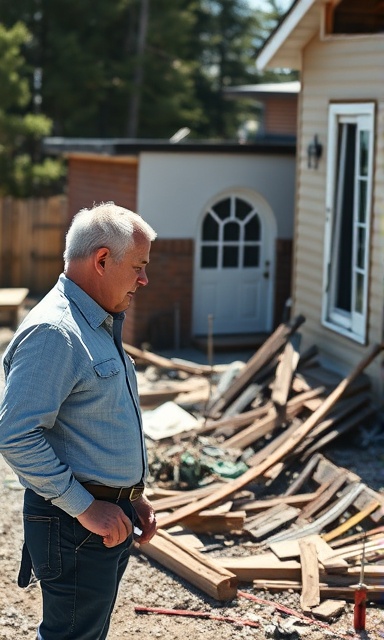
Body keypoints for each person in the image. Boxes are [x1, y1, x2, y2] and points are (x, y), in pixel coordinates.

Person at [0, 202, 158, 639]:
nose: (144, 279)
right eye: (139, 266)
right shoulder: (57, 332)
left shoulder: (96, 323)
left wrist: (130, 496)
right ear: (102, 260)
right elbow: (15, 436)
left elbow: (94, 425)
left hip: (100, 516)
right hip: (75, 523)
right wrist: (88, 506)